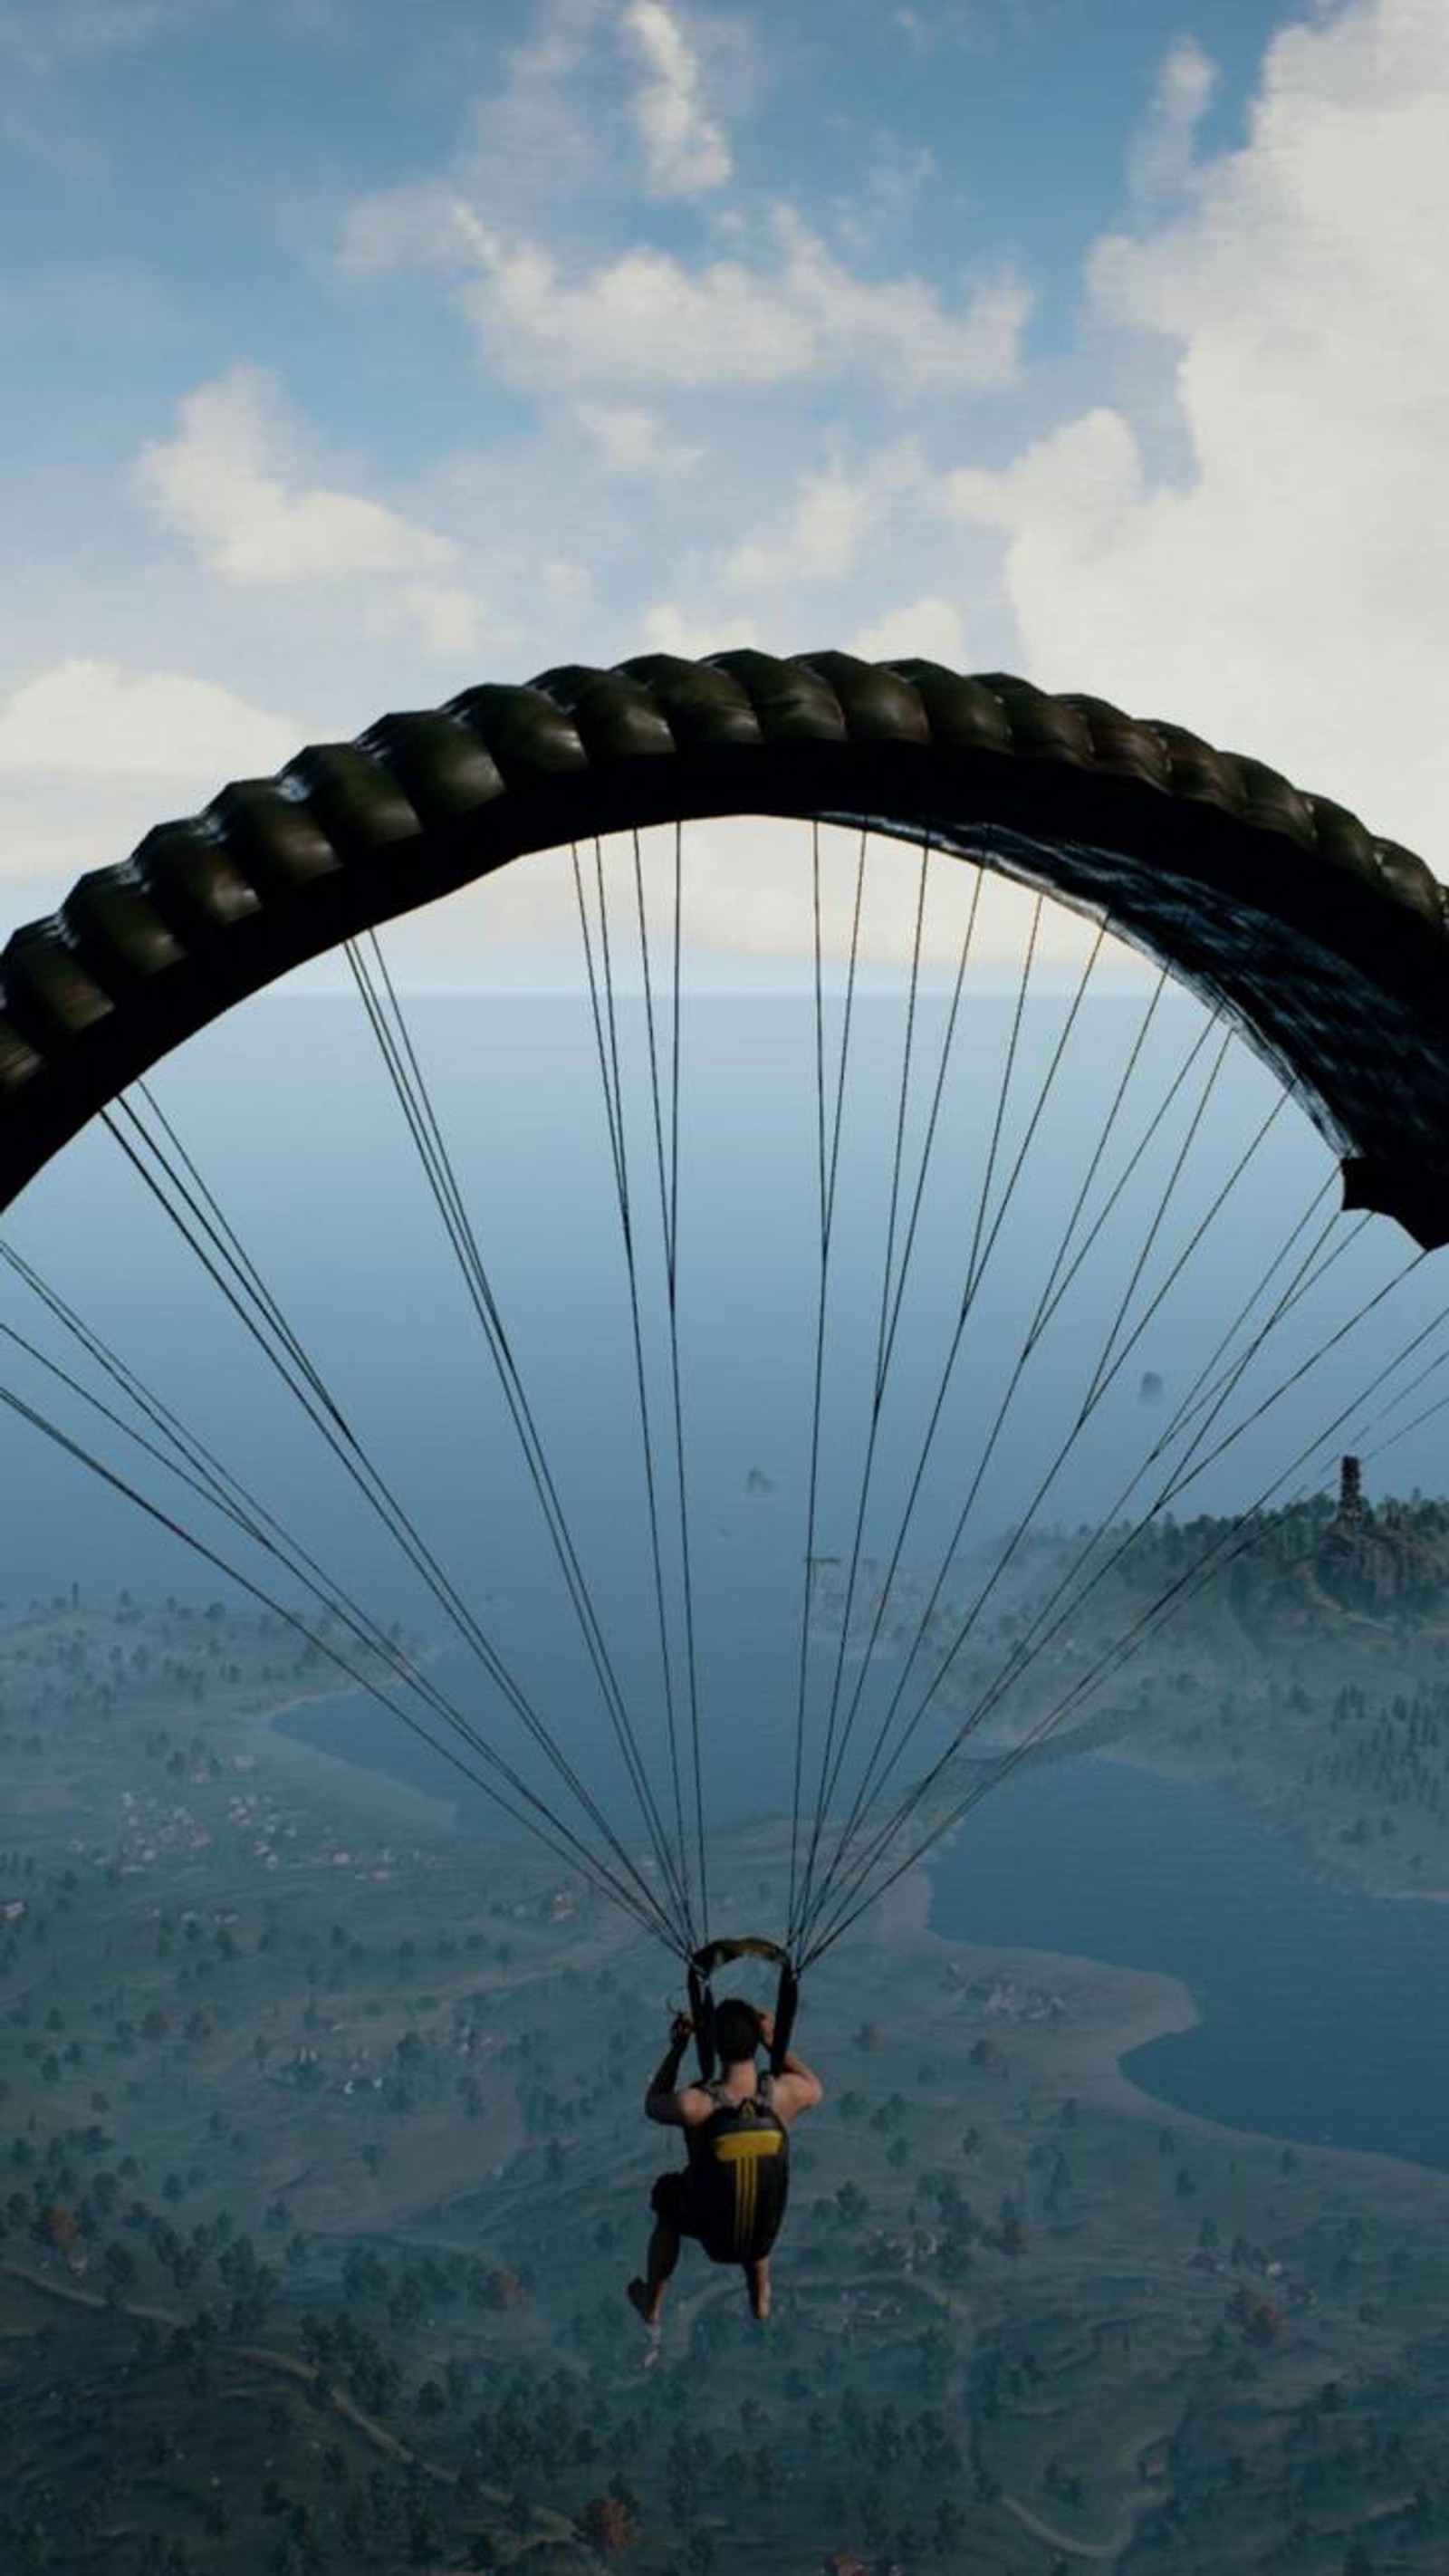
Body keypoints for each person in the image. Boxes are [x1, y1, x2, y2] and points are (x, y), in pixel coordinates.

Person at [628, 1995, 823, 2329]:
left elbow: (653, 2104)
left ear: (715, 2045)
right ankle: (760, 2294)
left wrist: (678, 2047)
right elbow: (815, 2088)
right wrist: (774, 2042)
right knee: (760, 2187)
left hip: (713, 2231)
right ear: (755, 2044)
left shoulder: (696, 2105)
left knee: (667, 2195)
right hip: (762, 2235)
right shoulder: (782, 2097)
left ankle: (653, 2303)